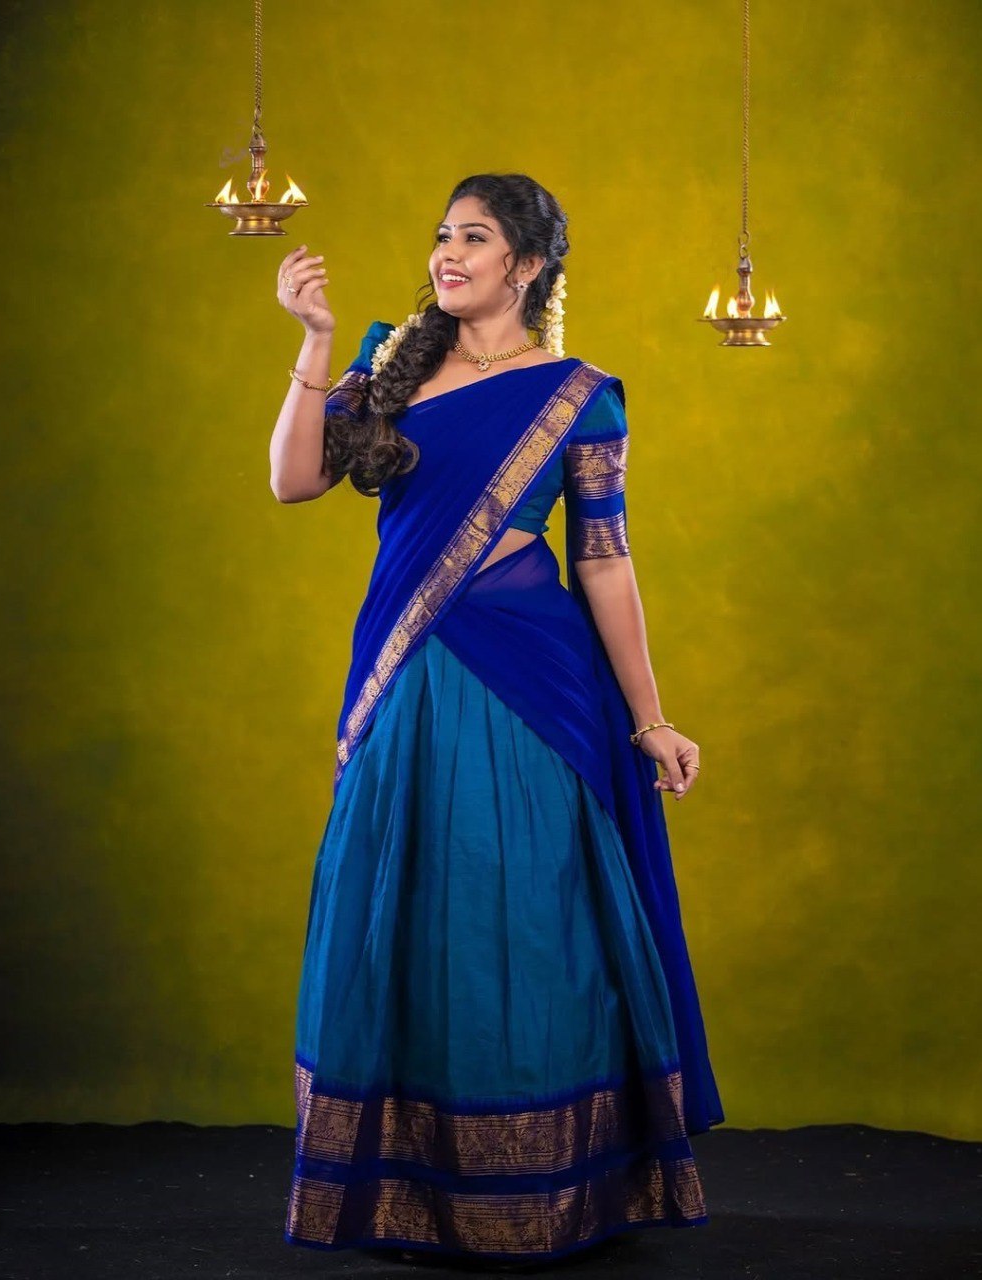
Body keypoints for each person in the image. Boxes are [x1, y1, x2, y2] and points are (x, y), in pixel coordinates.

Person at [269, 172, 725, 1270]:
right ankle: (409, 1180)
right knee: (405, 905)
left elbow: (605, 561)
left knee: (525, 916)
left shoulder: (579, 392)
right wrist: (318, 342)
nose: (446, 252)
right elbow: (292, 482)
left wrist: (650, 716)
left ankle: (544, 1184)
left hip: (534, 677)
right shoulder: (392, 361)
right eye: (440, 233)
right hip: (411, 672)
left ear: (524, 264)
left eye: (472, 236)